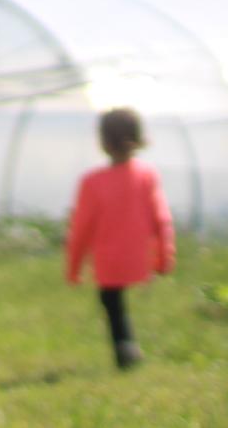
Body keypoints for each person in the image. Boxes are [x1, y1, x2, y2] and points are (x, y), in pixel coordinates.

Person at [65, 107, 176, 369]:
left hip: (108, 263)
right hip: (138, 258)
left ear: (103, 142)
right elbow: (161, 219)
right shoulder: (147, 176)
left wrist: (74, 269)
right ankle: (129, 347)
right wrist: (164, 257)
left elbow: (81, 229)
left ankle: (124, 347)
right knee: (119, 302)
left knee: (112, 303)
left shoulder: (92, 182)